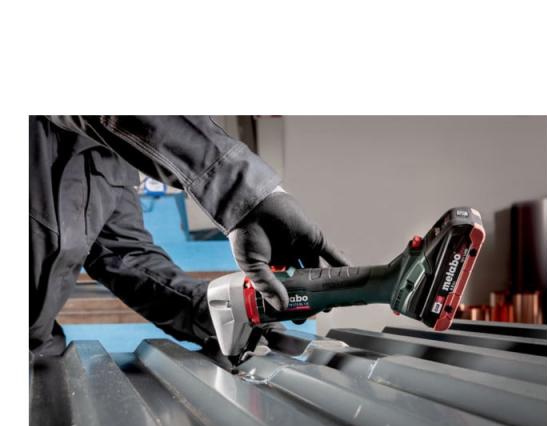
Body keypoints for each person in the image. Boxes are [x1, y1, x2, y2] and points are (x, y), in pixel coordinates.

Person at [29, 116, 349, 357]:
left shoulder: (110, 158)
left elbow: (124, 255)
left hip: (40, 356)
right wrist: (247, 195)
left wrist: (216, 312)